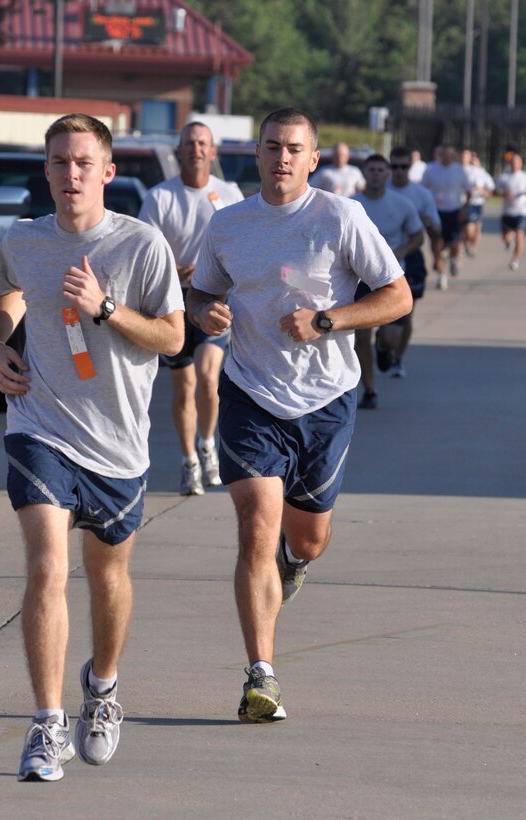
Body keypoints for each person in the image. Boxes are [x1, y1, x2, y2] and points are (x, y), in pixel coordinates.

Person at [186, 108, 412, 722]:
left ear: (313, 159)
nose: (280, 158)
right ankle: (261, 675)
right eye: (270, 148)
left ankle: (295, 562)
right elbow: (201, 290)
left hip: (326, 399)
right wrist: (205, 312)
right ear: (255, 156)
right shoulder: (228, 225)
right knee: (258, 524)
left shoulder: (339, 216)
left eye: (293, 149)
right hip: (250, 394)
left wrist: (327, 321)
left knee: (307, 536)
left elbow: (397, 296)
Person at [0, 113, 184, 782]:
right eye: (59, 162)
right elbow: (7, 292)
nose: (70, 174)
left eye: (82, 163)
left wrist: (105, 309)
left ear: (107, 172)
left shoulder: (142, 245)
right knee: (46, 567)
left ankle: (101, 688)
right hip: (39, 425)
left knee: (107, 577)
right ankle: (46, 726)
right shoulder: (24, 240)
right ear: (46, 171)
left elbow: (173, 339)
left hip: (117, 443)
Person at [138, 122, 243, 495]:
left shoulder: (228, 193)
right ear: (179, 151)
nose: (196, 149)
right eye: (189, 143)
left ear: (212, 152)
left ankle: (208, 443)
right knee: (183, 389)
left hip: (215, 300)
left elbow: (241, 245)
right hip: (172, 304)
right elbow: (146, 250)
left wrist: (213, 269)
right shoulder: (159, 197)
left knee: (210, 377)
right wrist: (174, 269)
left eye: (203, 143)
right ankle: (188, 461)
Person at [352, 153, 423, 406]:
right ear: (364, 173)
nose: (375, 174)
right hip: (360, 279)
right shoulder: (351, 205)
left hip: (392, 278)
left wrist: (403, 251)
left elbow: (417, 236)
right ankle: (370, 390)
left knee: (390, 337)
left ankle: (384, 349)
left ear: (387, 173)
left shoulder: (402, 204)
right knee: (361, 338)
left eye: (381, 170)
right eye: (371, 169)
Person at [384, 145, 442, 378]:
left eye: (403, 166)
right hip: (379, 259)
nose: (398, 171)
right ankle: (381, 343)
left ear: (410, 167)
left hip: (411, 257)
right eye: (394, 166)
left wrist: (430, 225)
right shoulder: (380, 190)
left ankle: (397, 358)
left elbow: (437, 232)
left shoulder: (421, 195)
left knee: (406, 310)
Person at [421, 144, 472, 290]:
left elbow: (468, 191)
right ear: (440, 155)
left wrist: (464, 208)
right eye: (445, 154)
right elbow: (423, 190)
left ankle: (454, 259)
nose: (447, 157)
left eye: (450, 155)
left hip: (454, 211)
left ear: (453, 156)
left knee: (455, 243)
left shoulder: (459, 170)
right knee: (436, 241)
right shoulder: (431, 169)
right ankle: (442, 275)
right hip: (436, 211)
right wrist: (426, 207)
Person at [494, 152, 526, 271]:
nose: (515, 163)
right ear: (509, 163)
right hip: (507, 212)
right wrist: (504, 194)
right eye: (513, 161)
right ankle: (508, 241)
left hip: (521, 211)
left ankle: (515, 260)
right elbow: (494, 192)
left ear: (521, 163)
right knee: (505, 237)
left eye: (517, 161)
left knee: (519, 234)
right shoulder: (504, 177)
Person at [460, 149, 494, 258]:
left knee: (476, 227)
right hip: (461, 203)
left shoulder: (478, 171)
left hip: (476, 202)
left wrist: (483, 191)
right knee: (465, 228)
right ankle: (465, 245)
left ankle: (472, 247)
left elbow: (490, 187)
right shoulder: (457, 169)